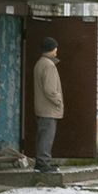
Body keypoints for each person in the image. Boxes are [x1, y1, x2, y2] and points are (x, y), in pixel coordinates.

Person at [32, 37, 63, 173]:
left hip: (42, 107)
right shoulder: (49, 65)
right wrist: (58, 101)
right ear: (51, 49)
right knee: (47, 136)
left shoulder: (40, 63)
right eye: (55, 48)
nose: (57, 51)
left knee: (43, 134)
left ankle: (42, 162)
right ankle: (43, 163)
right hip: (48, 108)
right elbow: (50, 89)